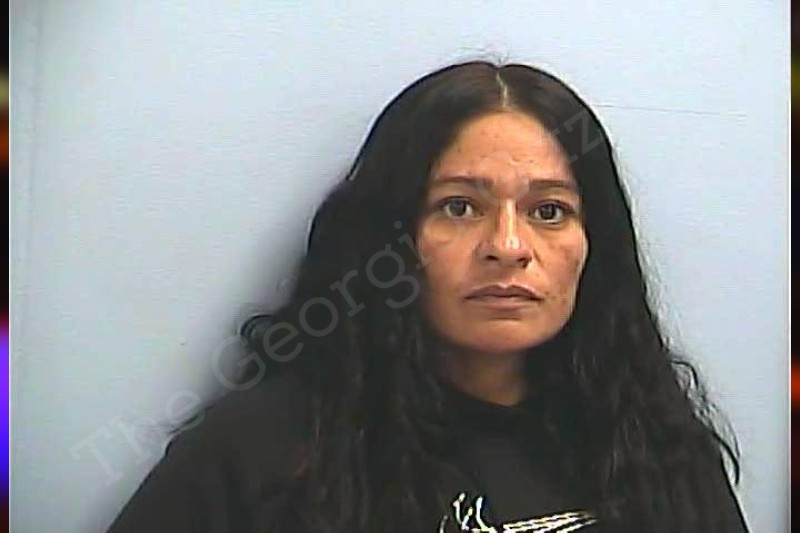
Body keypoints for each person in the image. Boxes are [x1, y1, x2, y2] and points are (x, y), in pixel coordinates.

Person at [107, 61, 749, 532]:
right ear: (391, 238)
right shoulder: (260, 453)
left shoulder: (660, 450)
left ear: (593, 244)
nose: (508, 246)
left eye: (548, 211)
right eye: (460, 207)